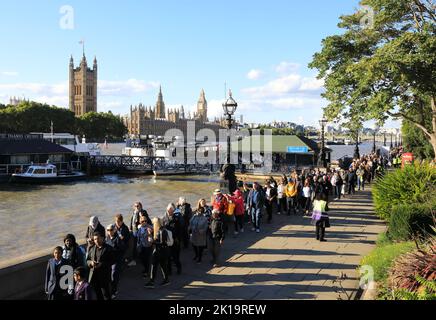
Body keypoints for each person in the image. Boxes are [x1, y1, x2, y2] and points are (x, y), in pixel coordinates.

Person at [87, 232, 114, 300]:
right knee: (98, 294)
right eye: (95, 239)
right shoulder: (92, 249)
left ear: (102, 238)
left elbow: (112, 261)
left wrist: (101, 264)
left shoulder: (108, 248)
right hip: (94, 276)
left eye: (98, 238)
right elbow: (87, 260)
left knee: (106, 295)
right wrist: (91, 263)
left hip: (104, 276)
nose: (97, 240)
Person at [145, 217, 170, 288]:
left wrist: (153, 242)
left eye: (153, 223)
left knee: (154, 265)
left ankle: (152, 282)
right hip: (161, 251)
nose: (152, 224)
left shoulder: (162, 231)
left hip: (160, 252)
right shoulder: (159, 230)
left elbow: (162, 243)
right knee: (162, 266)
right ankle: (166, 280)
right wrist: (151, 233)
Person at [105, 223, 126, 299]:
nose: (109, 231)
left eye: (111, 230)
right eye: (108, 230)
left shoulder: (117, 239)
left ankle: (113, 291)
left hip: (116, 260)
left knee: (114, 275)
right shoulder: (106, 238)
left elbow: (123, 249)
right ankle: (112, 289)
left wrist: (116, 252)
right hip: (109, 260)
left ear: (114, 230)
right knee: (109, 276)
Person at [161, 203, 182, 275]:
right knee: (168, 257)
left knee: (175, 257)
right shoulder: (163, 218)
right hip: (167, 240)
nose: (171, 211)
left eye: (172, 210)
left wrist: (178, 239)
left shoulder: (176, 218)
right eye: (170, 210)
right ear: (167, 209)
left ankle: (179, 268)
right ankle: (169, 271)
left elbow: (179, 229)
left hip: (175, 240)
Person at [129, 202, 151, 267]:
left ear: (141, 206)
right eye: (135, 206)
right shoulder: (134, 212)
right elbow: (132, 220)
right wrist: (130, 228)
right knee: (135, 246)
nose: (136, 207)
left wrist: (141, 215)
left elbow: (145, 221)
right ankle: (135, 260)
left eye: (138, 206)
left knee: (142, 246)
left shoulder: (143, 212)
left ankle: (143, 260)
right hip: (134, 231)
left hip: (141, 232)